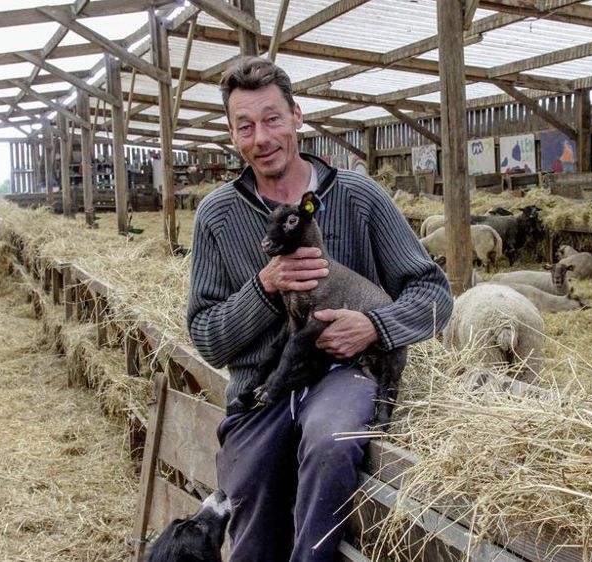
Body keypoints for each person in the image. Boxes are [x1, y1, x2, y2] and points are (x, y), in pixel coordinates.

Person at [186, 56, 453, 562]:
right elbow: (206, 337)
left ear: (296, 116)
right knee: (251, 503)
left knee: (333, 440)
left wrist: (374, 325)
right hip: (262, 388)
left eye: (272, 119)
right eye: (245, 126)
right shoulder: (217, 215)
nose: (261, 137)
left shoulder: (358, 196)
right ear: (232, 135)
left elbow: (434, 294)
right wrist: (264, 287)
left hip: (345, 373)